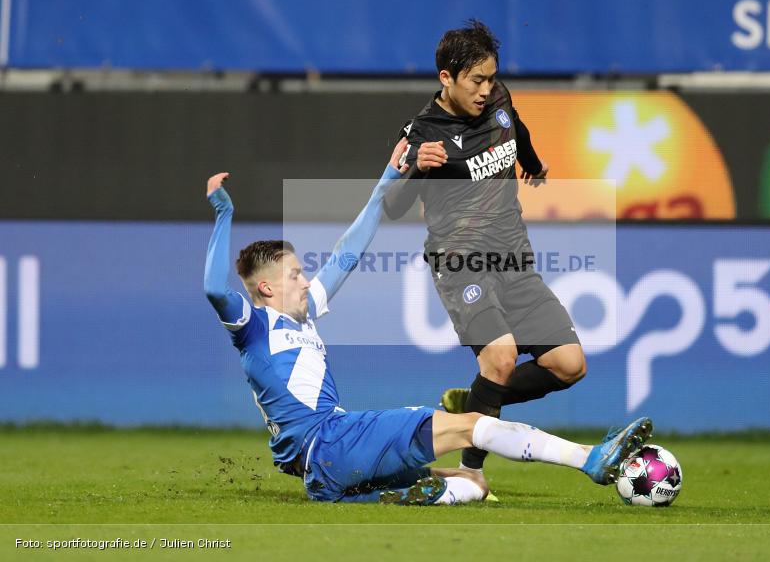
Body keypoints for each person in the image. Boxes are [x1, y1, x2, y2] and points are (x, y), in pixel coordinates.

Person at [203, 140, 652, 504]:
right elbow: (215, 289)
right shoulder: (254, 326)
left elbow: (347, 251)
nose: (306, 280)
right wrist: (224, 214)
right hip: (334, 439)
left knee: (471, 485)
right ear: (265, 289)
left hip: (323, 468)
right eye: (295, 274)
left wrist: (386, 182)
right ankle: (591, 458)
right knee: (469, 424)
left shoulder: (305, 315)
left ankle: (409, 495)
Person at [383, 20, 590, 475]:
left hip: (515, 258)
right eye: (476, 80)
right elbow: (392, 207)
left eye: (491, 77)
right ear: (446, 78)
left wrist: (533, 165)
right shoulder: (421, 132)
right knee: (500, 357)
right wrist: (414, 166)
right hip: (461, 262)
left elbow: (515, 128)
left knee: (569, 364)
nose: (486, 88)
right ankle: (470, 470)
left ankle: (475, 403)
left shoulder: (498, 99)